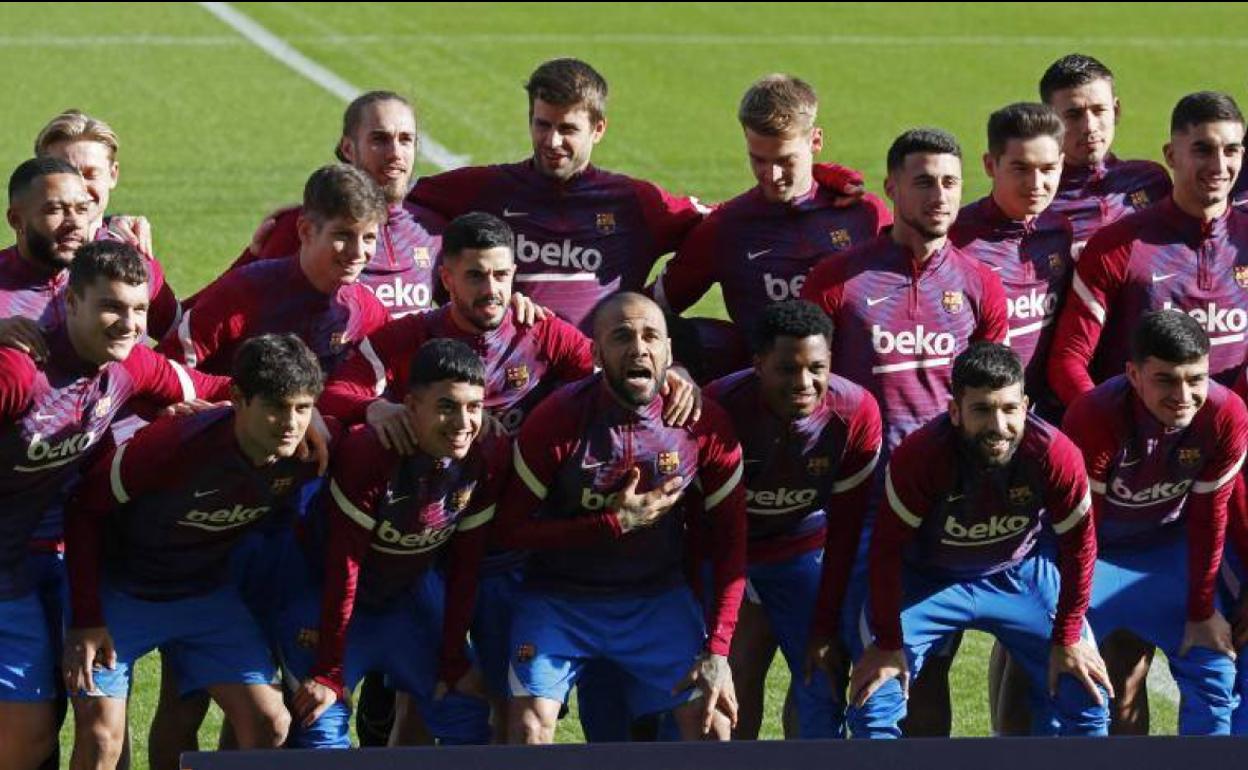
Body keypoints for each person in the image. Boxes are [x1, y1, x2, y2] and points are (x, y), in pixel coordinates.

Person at [0, 240, 230, 770]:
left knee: (31, 737)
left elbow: (216, 385)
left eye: (139, 309)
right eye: (111, 307)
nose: (128, 323)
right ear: (70, 303)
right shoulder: (21, 373)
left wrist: (313, 411)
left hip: (13, 570)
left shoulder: (127, 367)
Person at [63, 334, 326, 768]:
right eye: (277, 407)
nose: (291, 423)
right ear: (238, 400)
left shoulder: (305, 457)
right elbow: (83, 509)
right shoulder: (173, 445)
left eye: (303, 408)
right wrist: (86, 618)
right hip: (122, 596)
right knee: (101, 740)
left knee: (271, 724)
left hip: (206, 597)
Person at [497, 292, 747, 743]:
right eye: (621, 336)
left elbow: (731, 539)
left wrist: (718, 648)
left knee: (714, 724)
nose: (638, 349)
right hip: (559, 600)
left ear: (670, 352)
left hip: (657, 597)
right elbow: (510, 531)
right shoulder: (557, 421)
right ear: (594, 353)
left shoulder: (702, 424)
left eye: (651, 336)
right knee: (529, 729)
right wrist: (612, 524)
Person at [846, 342, 1109, 738]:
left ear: (1026, 405)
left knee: (1087, 694)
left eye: (1009, 409)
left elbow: (1081, 547)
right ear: (955, 411)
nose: (998, 426)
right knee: (874, 700)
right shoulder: (921, 456)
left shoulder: (1056, 454)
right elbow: (887, 552)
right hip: (927, 583)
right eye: (982, 410)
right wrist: (887, 643)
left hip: (1018, 575)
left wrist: (1068, 635)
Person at [281, 338, 506, 748]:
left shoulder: (487, 452)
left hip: (408, 599)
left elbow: (465, 565)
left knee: (468, 717)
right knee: (318, 730)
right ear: (411, 406)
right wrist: (330, 669)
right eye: (446, 406)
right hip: (326, 602)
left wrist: (453, 659)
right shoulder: (371, 451)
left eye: (474, 407)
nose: (462, 423)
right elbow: (343, 566)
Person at [407, 58, 708, 331]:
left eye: (567, 129)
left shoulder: (634, 201)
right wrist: (449, 295)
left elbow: (720, 225)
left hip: (596, 377)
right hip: (509, 375)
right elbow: (401, 209)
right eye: (543, 125)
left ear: (598, 129)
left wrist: (660, 299)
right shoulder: (485, 188)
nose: (552, 141)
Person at [1064, 310, 1247, 735]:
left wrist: (1202, 610)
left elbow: (1208, 517)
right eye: (1165, 379)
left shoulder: (1227, 414)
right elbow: (1080, 531)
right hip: (1097, 553)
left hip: (1167, 549)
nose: (1183, 394)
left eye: (1195, 379)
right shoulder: (1093, 416)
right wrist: (1069, 627)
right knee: (1078, 678)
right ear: (1133, 373)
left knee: (1214, 667)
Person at [704, 300, 881, 739]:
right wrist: (717, 638)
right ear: (758, 364)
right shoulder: (718, 409)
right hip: (721, 552)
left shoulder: (856, 412)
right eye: (787, 369)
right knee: (721, 681)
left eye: (816, 368)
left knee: (819, 673)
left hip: (800, 551)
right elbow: (705, 527)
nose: (804, 382)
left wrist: (824, 627)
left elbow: (844, 530)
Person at [648, 74, 888, 382]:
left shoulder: (864, 213)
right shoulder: (726, 227)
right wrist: (675, 365)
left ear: (815, 141)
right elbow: (648, 310)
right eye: (758, 160)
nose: (771, 175)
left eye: (785, 160)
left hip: (858, 395)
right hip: (767, 400)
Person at [1048, 90, 1248, 403]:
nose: (1219, 165)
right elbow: (1068, 360)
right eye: (1203, 150)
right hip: (1139, 448)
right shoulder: (1118, 246)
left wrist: (1237, 429)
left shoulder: (1243, 240)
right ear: (1170, 155)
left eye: (1231, 150)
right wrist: (1103, 425)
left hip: (1232, 442)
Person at [211, 91, 443, 321]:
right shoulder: (307, 227)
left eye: (405, 140)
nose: (395, 153)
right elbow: (228, 310)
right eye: (379, 139)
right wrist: (250, 257)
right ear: (348, 149)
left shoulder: (432, 230)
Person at [159, 164, 389, 375]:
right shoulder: (245, 292)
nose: (358, 251)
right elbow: (164, 371)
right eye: (343, 235)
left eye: (369, 238)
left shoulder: (366, 309)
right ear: (306, 231)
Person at [950, 102, 1072, 420]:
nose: (1036, 184)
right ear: (991, 165)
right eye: (1021, 168)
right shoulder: (956, 239)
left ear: (1062, 163)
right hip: (984, 418)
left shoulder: (1060, 230)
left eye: (1047, 169)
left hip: (1048, 414)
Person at [1038, 54, 1173, 256]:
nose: (1089, 127)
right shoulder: (1039, 198)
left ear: (1116, 110)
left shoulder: (1151, 180)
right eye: (1073, 115)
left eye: (1099, 110)